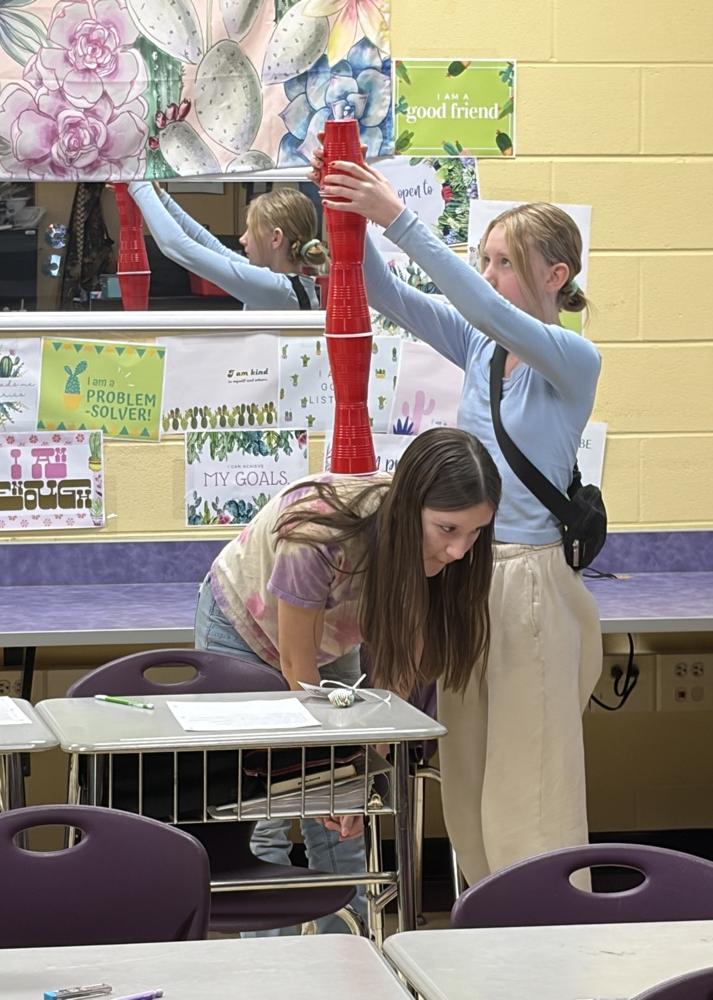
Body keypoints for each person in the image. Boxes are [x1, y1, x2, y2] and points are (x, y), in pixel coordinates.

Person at [312, 153, 603, 889]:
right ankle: (486, 920)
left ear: (556, 276)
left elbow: (488, 310)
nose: (490, 273)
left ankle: (548, 927)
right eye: (486, 260)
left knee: (531, 782)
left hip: (529, 584)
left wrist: (399, 218)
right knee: (467, 774)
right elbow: (385, 291)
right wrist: (344, 205)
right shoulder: (482, 348)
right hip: (467, 575)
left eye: (505, 262)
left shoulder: (573, 359)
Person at [194, 426, 501, 932]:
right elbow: (297, 668)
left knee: (343, 814)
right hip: (247, 628)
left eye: (474, 533)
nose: (458, 551)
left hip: (330, 640)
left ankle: (348, 954)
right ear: (409, 508)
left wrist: (358, 776)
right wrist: (321, 767)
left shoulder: (436, 558)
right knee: (267, 804)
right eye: (448, 529)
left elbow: (395, 677)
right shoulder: (318, 531)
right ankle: (267, 962)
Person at [127, 181, 327, 309]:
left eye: (250, 230)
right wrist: (161, 196)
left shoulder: (277, 289)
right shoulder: (288, 284)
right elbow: (213, 246)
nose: (243, 239)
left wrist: (138, 185)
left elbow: (176, 246)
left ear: (276, 238)